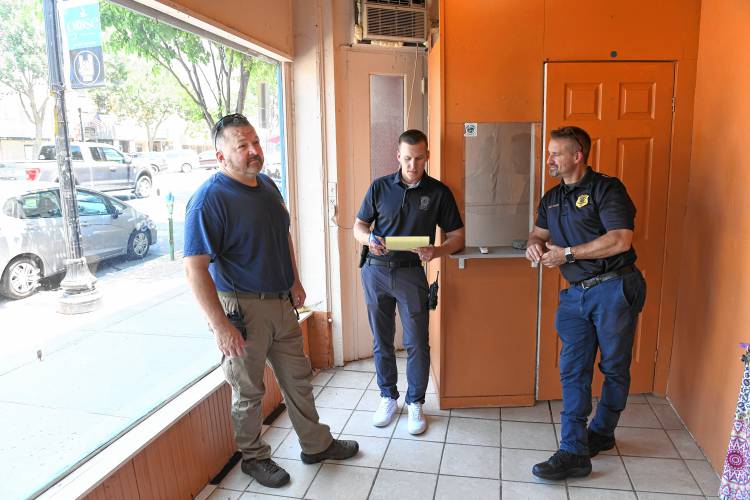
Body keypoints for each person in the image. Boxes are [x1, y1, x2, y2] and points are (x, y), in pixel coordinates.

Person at [184, 113, 358, 488]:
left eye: (256, 143)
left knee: (298, 379)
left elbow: (283, 236)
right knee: (248, 391)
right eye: (241, 146)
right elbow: (195, 269)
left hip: (282, 303)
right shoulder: (208, 200)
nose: (253, 151)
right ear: (221, 156)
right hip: (242, 310)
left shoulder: (266, 186)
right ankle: (253, 457)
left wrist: (294, 280)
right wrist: (221, 326)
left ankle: (316, 444)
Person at [526, 126, 646, 480]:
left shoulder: (607, 189)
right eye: (549, 153)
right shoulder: (551, 198)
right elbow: (539, 233)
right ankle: (574, 450)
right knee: (573, 369)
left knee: (613, 366)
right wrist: (534, 243)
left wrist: (567, 254)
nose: (549, 159)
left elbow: (621, 239)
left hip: (614, 288)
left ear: (578, 156)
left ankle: (602, 431)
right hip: (575, 295)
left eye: (556, 153)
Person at [353, 129, 465, 434]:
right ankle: (388, 396)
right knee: (382, 339)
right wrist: (368, 238)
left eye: (418, 158)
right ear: (397, 156)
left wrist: (437, 250)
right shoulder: (379, 187)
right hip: (375, 270)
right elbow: (359, 225)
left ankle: (416, 402)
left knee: (416, 341)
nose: (412, 165)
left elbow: (458, 237)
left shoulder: (439, 192)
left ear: (427, 156)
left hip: (411, 273)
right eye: (406, 158)